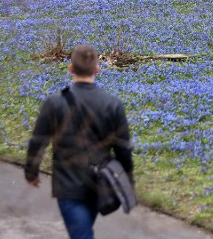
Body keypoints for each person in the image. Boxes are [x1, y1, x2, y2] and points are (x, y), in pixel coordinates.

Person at [25, 44, 133, 239]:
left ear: (71, 68)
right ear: (97, 69)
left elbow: (38, 141)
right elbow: (123, 149)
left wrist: (31, 171)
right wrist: (127, 179)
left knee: (81, 235)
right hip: (98, 182)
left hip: (68, 184)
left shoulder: (55, 102)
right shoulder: (112, 104)